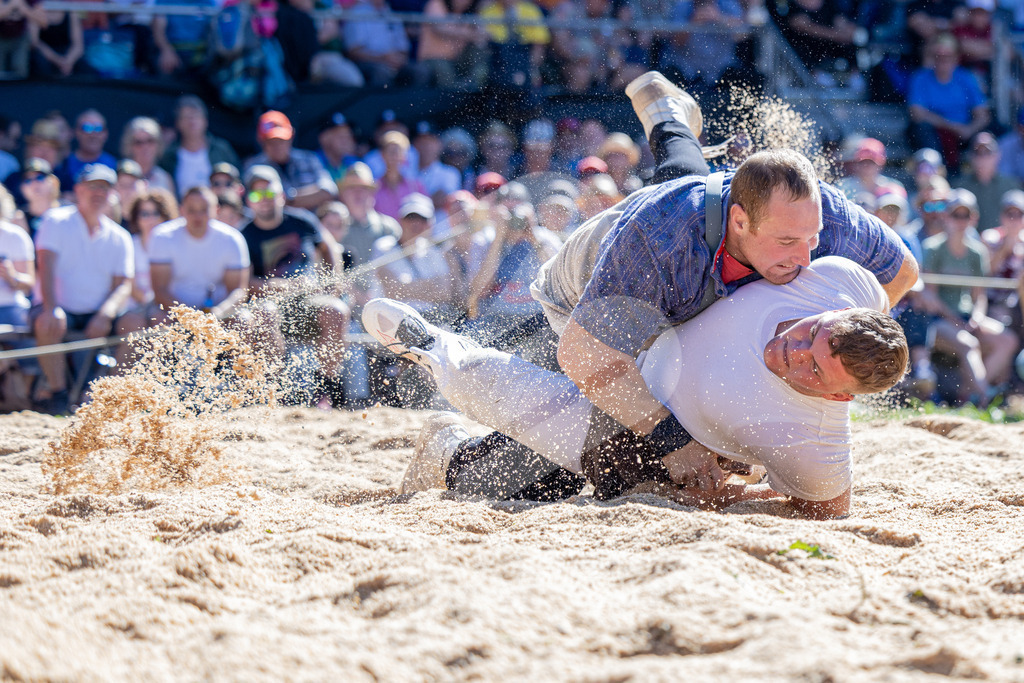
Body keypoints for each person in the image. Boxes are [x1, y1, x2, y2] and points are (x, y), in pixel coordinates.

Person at [510, 70, 916, 486]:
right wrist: (673, 440)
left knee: (686, 177)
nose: (806, 260)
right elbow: (585, 355)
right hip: (584, 295)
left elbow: (902, 272)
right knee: (593, 451)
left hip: (701, 228)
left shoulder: (817, 212)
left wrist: (836, 352)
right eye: (788, 241)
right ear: (740, 222)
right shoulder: (664, 242)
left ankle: (668, 114)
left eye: (811, 240)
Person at [362, 255, 908, 518]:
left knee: (505, 469)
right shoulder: (845, 283)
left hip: (642, 449)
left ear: (840, 397)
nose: (792, 349)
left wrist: (745, 493)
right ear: (837, 312)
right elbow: (898, 266)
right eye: (810, 334)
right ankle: (434, 346)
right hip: (623, 363)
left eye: (812, 370)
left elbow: (829, 508)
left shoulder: (819, 442)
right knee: (505, 403)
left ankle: (444, 435)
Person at [31, 164, 137, 414]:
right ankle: (58, 394)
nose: (99, 192)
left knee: (135, 324)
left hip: (97, 313)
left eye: (104, 187)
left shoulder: (120, 236)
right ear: (78, 189)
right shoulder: (56, 221)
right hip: (58, 307)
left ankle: (106, 394)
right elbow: (45, 267)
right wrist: (51, 308)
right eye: (93, 186)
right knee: (48, 322)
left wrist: (105, 313)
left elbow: (124, 285)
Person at [239, 165, 350, 402]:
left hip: (309, 299)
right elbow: (243, 281)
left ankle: (327, 389)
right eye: (257, 195)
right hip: (270, 303)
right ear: (248, 200)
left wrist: (331, 283)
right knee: (264, 314)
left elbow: (329, 248)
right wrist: (272, 286)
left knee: (336, 310)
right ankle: (274, 392)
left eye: (269, 193)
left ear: (281, 194)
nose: (265, 200)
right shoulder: (244, 235)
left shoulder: (303, 221)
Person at [922, 188, 1019, 404]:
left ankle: (968, 395)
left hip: (965, 318)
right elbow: (931, 298)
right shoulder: (932, 247)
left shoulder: (977, 252)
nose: (960, 220)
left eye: (965, 215)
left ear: (973, 218)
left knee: (1008, 340)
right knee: (968, 344)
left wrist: (977, 316)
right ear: (946, 216)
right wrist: (956, 320)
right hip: (938, 321)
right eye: (956, 214)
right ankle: (985, 397)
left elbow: (979, 294)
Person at [145, 186, 250, 324]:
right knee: (158, 319)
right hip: (172, 313)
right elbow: (160, 291)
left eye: (203, 209)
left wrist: (219, 312)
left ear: (216, 210)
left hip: (221, 314)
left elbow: (238, 291)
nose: (197, 216)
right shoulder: (162, 236)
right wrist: (190, 316)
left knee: (245, 320)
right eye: (192, 210)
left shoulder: (232, 239)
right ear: (181, 210)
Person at [243, 110, 337, 211]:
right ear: (261, 142)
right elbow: (251, 203)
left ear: (291, 136)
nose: (277, 146)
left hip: (314, 220)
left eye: (281, 140)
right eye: (271, 142)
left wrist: (288, 200)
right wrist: (310, 195)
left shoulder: (308, 159)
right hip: (274, 223)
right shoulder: (254, 166)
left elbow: (329, 190)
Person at [159, 96, 240, 201]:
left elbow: (237, 181)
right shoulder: (168, 156)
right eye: (186, 117)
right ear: (177, 123)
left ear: (205, 121)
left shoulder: (221, 150)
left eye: (196, 116)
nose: (192, 122)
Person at [952, 132, 1022, 233]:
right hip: (970, 244)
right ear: (971, 156)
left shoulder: (1011, 185)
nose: (983, 157)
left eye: (988, 151)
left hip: (1003, 243)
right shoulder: (959, 186)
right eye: (978, 152)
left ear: (998, 155)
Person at [54, 109, 117, 193]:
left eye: (98, 128)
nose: (93, 135)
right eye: (87, 128)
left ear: (105, 134)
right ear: (77, 132)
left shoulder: (115, 166)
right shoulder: (63, 166)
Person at [119, 116, 175, 197]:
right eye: (138, 142)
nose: (145, 147)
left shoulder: (165, 178)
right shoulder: (121, 176)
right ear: (129, 146)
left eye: (150, 141)